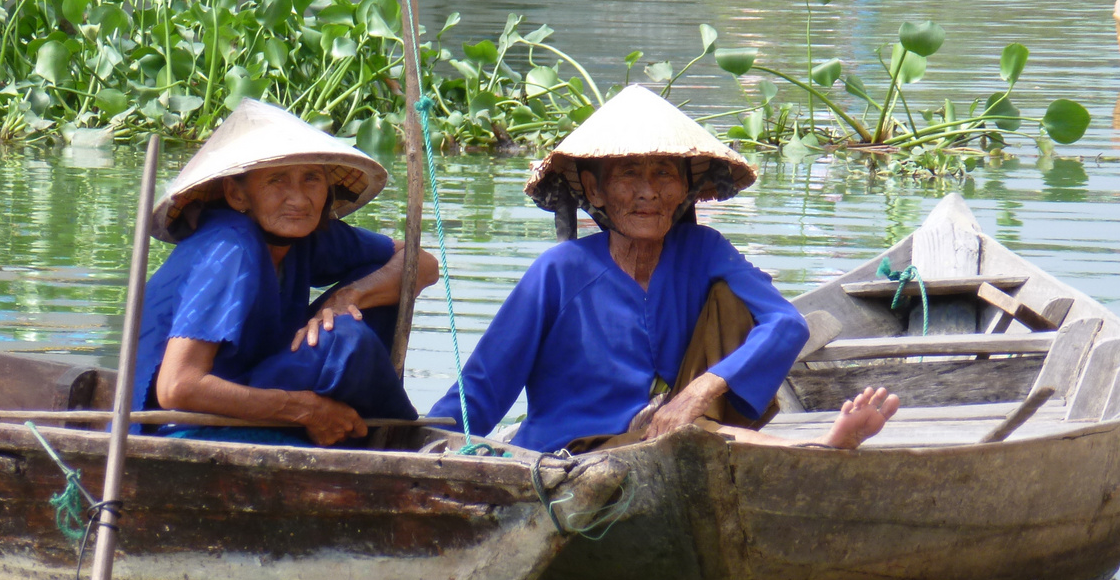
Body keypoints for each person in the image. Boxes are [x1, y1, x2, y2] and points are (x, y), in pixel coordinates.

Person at [431, 85, 898, 453]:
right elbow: (483, 388)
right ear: (595, 191)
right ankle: (810, 449)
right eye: (629, 174)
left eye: (663, 175)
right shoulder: (559, 271)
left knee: (734, 316)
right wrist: (422, 442)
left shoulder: (703, 249)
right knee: (684, 441)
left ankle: (809, 449)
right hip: (572, 454)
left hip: (679, 429)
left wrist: (698, 392)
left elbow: (786, 324)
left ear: (684, 191)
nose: (648, 192)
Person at [134, 99, 437, 447]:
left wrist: (349, 297)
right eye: (277, 181)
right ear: (237, 194)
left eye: (311, 179)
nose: (299, 199)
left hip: (255, 388)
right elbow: (177, 387)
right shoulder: (229, 249)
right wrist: (305, 410)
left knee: (375, 291)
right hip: (178, 426)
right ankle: (380, 434)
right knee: (345, 341)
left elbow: (422, 265)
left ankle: (370, 431)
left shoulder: (306, 236)